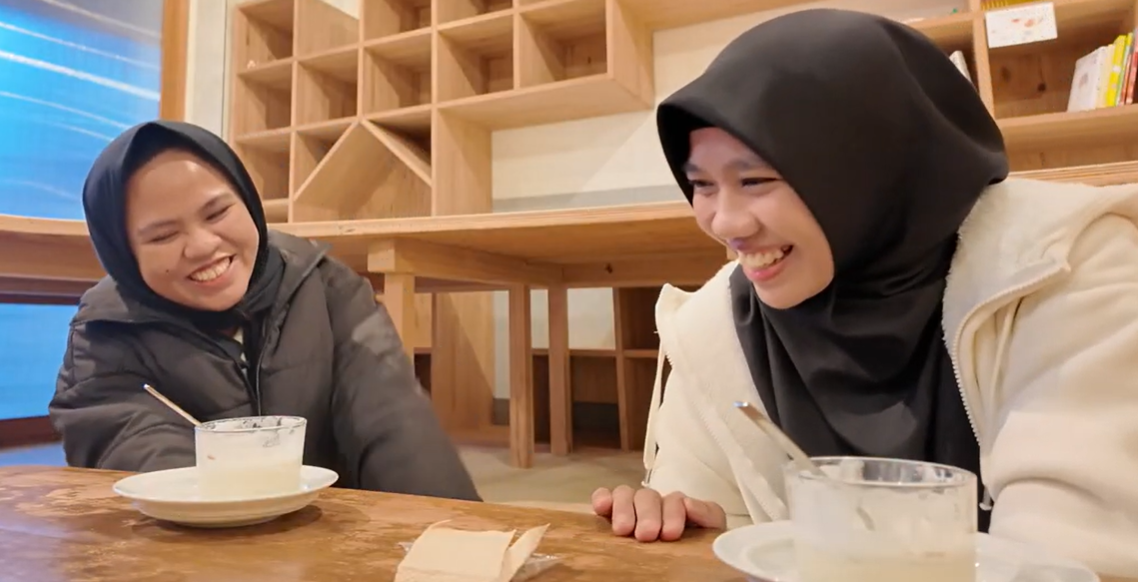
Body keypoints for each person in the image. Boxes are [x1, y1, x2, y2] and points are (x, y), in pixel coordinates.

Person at [590, 8, 1138, 577]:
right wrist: (684, 521)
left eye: (755, 180)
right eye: (701, 184)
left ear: (867, 162)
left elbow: (1072, 559)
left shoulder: (1057, 266)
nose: (724, 222)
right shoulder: (717, 323)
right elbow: (710, 510)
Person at [49, 120, 481, 501]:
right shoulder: (103, 334)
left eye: (217, 212)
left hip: (335, 536)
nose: (202, 246)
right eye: (162, 236)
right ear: (122, 253)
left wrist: (452, 534)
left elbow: (394, 422)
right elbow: (147, 457)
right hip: (205, 548)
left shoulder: (326, 287)